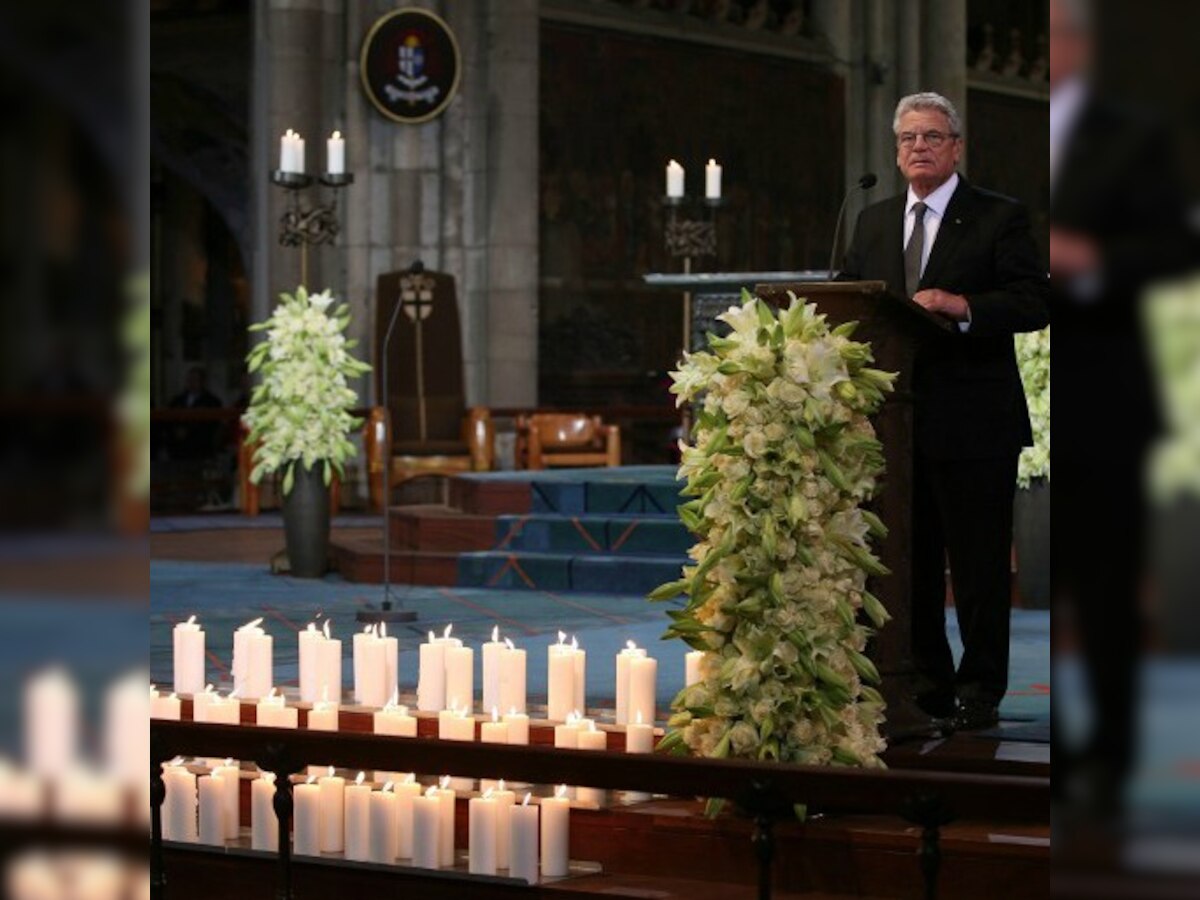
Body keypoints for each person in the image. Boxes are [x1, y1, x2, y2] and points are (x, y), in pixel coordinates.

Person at [842, 91, 1050, 732]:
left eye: (932, 136)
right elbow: (850, 302)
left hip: (974, 420)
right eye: (908, 138)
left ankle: (981, 687)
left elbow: (1034, 300)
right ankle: (925, 681)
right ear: (896, 150)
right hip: (894, 425)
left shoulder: (997, 217)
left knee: (980, 565)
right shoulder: (874, 220)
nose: (919, 147)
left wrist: (963, 306)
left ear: (956, 147)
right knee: (911, 561)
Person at [1048, 0, 1198, 818]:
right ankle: (1056, 752)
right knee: (1053, 584)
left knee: (1104, 587)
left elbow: (1177, 251)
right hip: (1023, 400)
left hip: (1107, 397)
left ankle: (1111, 756)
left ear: (1078, 43)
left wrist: (1092, 258)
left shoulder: (1131, 135)